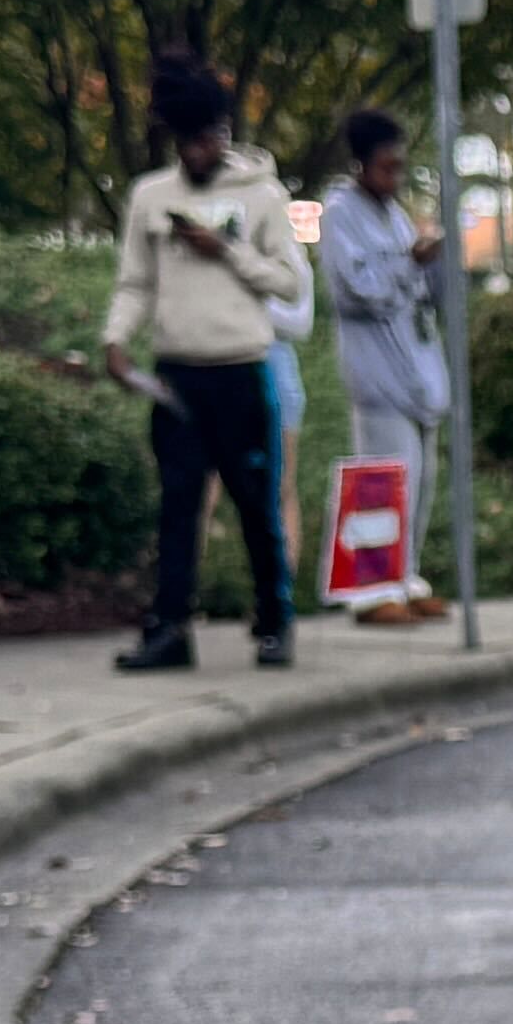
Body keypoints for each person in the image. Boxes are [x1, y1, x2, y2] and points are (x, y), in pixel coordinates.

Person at [104, 47, 309, 667]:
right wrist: (116, 339)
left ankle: (274, 620)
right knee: (178, 505)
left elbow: (290, 282)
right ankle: (169, 629)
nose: (200, 151)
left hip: (241, 370)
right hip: (177, 375)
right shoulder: (150, 196)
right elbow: (135, 282)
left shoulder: (263, 195)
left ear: (225, 132)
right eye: (189, 141)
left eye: (210, 138)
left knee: (256, 503)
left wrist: (226, 251)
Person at [317, 107, 446, 617]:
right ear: (361, 165)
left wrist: (426, 263)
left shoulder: (394, 213)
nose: (394, 178)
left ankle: (403, 575)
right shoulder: (339, 213)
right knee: (382, 475)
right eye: (386, 167)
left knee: (419, 478)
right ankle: (370, 589)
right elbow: (355, 288)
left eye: (399, 167)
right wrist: (409, 263)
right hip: (375, 366)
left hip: (415, 363)